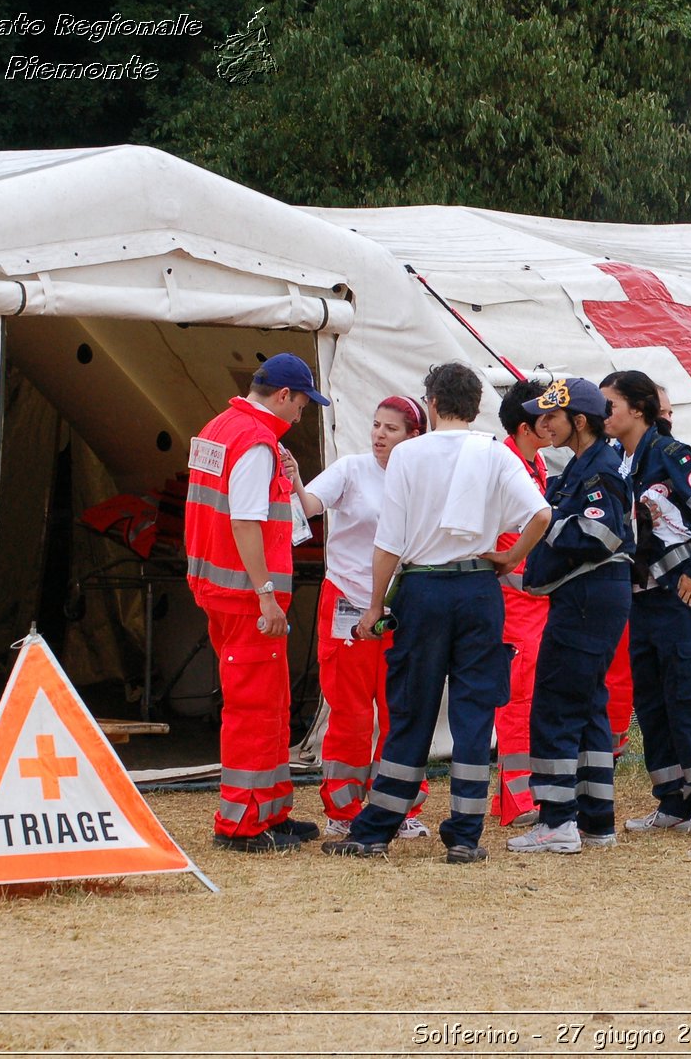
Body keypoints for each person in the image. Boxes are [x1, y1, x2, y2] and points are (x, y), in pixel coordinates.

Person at [322, 362, 551, 864]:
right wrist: (511, 557)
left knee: (410, 709)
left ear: (430, 403)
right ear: (476, 407)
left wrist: (376, 605)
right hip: (478, 589)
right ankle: (466, 835)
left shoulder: (408, 455)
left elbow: (389, 541)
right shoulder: (494, 453)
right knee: (473, 713)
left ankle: (375, 830)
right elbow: (541, 514)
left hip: (422, 589)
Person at [184, 352, 328, 853]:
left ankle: (270, 810)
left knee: (269, 704)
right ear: (284, 395)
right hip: (247, 598)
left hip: (220, 588)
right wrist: (266, 595)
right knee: (253, 708)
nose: (303, 413)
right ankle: (243, 822)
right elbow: (244, 521)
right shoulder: (255, 442)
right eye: (303, 402)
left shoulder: (220, 427)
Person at [288, 396, 431, 839]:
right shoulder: (351, 468)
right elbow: (312, 504)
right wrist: (294, 480)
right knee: (349, 710)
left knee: (399, 709)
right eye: (375, 425)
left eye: (390, 429)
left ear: (413, 437)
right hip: (347, 598)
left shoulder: (421, 479)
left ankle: (398, 805)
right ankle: (343, 807)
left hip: (401, 605)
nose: (379, 435)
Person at [505, 379, 635, 854]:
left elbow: (598, 532)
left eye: (551, 417)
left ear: (579, 421)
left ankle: (557, 820)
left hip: (587, 598)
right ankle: (596, 820)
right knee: (587, 706)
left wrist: (542, 523)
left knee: (556, 703)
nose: (543, 426)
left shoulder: (600, 468)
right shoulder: (586, 464)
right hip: (589, 596)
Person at [600, 370, 691, 837]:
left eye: (610, 405)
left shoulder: (671, 455)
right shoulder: (617, 462)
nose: (603, 415)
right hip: (639, 601)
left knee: (687, 696)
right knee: (651, 702)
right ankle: (671, 800)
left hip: (680, 599)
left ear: (638, 409)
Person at [602, 382, 673, 756]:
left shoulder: (670, 457)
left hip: (661, 585)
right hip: (623, 580)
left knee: (672, 678)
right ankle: (610, 747)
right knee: (623, 671)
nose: (667, 420)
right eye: (662, 413)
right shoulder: (610, 458)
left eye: (671, 414)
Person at [493, 380, 550, 827]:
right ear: (528, 425)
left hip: (536, 601)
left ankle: (523, 794)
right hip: (515, 604)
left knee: (531, 700)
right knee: (515, 700)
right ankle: (516, 801)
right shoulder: (505, 465)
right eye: (546, 417)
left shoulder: (536, 462)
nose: (554, 424)